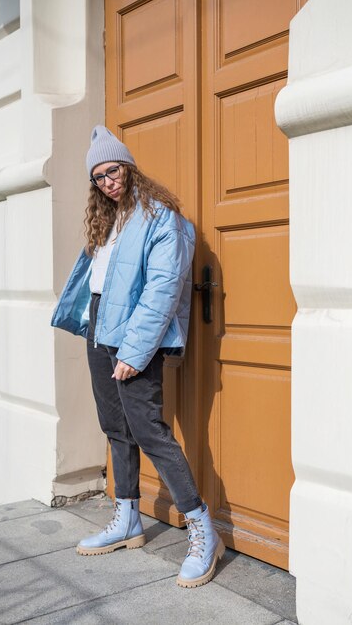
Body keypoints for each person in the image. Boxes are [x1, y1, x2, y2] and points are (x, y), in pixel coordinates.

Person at [51, 126, 224, 588]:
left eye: (113, 170)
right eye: (99, 177)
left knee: (150, 431)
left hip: (133, 335)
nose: (108, 181)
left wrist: (134, 350)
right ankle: (127, 517)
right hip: (99, 325)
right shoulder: (106, 219)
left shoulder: (159, 216)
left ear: (128, 166)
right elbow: (98, 281)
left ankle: (202, 529)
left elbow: (162, 290)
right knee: (116, 428)